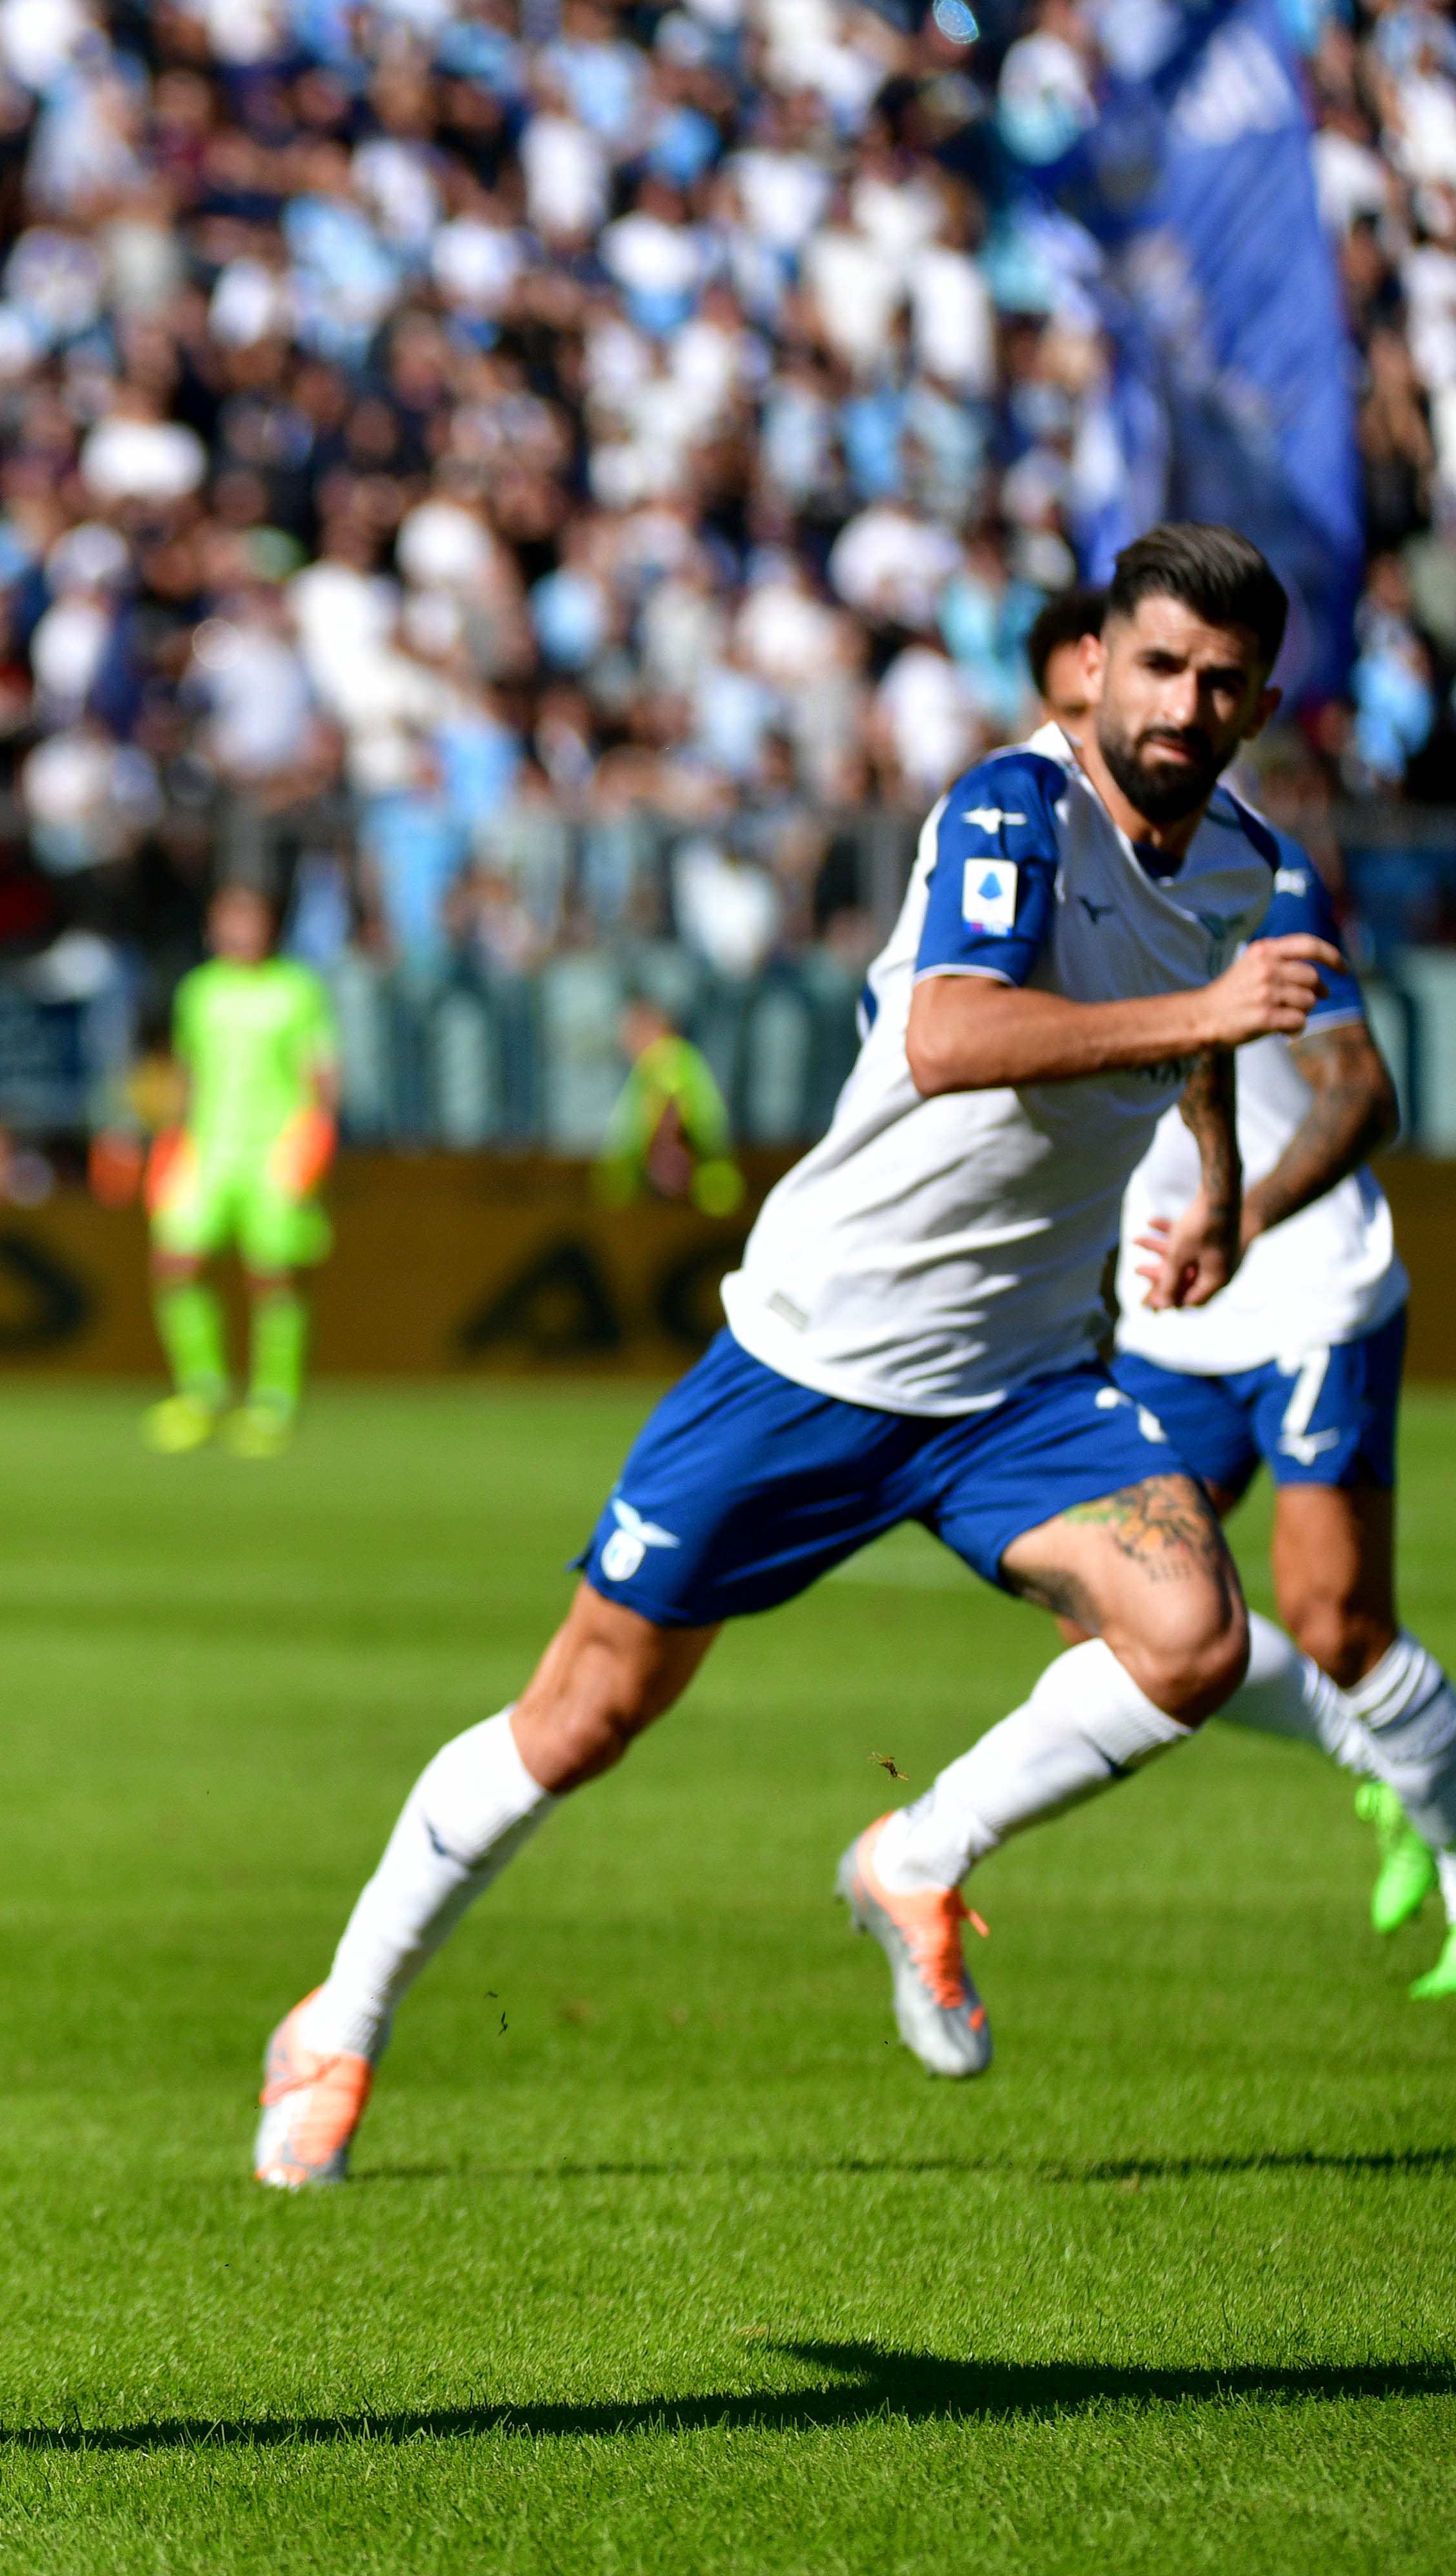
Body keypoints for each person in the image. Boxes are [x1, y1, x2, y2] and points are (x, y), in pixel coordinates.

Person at [250, 525, 1370, 2188]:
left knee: (1192, 1638)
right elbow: (951, 1032)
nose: (1184, 705)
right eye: (1156, 667)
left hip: (1020, 1385)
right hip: (818, 1352)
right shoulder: (1013, 810)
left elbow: (1208, 1011)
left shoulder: (1241, 866)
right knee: (585, 1713)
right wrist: (1206, 1024)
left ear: (1261, 698)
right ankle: (339, 2021)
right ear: (1095, 667)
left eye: (1221, 682)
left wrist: (1209, 1184)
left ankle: (917, 1856)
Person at [1033, 611, 1456, 1998]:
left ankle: (1429, 1794)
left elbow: (1363, 1092)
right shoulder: (1033, 860)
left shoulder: (1254, 873)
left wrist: (1248, 1209)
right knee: (1115, 1604)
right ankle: (1387, 1748)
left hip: (1307, 1280)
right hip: (1171, 1304)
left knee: (1334, 1616)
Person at [141, 880, 339, 1458]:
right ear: (214, 927)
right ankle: (203, 1394)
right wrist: (169, 1141)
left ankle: (275, 1402)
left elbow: (321, 1075)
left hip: (277, 1150)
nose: (241, 932)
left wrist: (316, 1143)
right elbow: (187, 1072)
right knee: (175, 1263)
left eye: (251, 921)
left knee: (273, 1274)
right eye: (231, 920)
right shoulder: (199, 991)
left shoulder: (298, 989)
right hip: (208, 1149)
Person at [590, 996, 741, 1215]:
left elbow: (700, 1124)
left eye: (641, 1032)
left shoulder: (672, 1061)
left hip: (700, 1187)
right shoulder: (645, 1073)